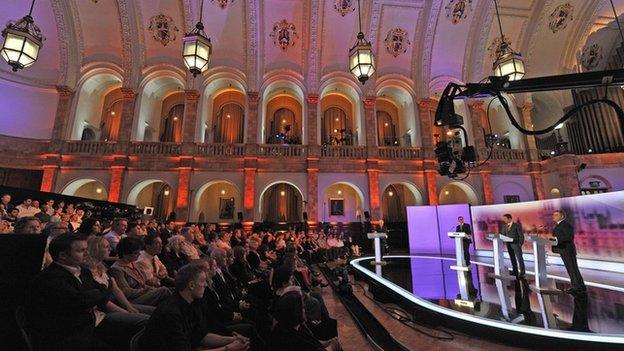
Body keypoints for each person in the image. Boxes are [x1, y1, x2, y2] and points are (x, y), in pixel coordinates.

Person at [25, 234, 114, 351]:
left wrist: (95, 294)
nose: (87, 253)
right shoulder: (50, 278)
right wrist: (96, 294)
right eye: (81, 250)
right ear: (62, 255)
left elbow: (105, 292)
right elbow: (80, 302)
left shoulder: (83, 271)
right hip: (69, 335)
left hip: (92, 323)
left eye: (86, 249)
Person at [138, 264, 251, 351]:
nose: (206, 285)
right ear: (191, 285)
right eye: (202, 281)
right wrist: (228, 348)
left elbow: (201, 336)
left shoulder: (193, 303)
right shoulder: (170, 312)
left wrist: (233, 340)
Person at [109, 237, 172, 306]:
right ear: (125, 253)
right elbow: (126, 292)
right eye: (136, 253)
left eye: (139, 252)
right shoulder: (116, 269)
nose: (139, 254)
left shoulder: (133, 263)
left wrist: (148, 288)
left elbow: (143, 282)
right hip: (131, 300)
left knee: (171, 291)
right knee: (164, 291)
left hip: (142, 293)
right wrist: (147, 290)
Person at [548, 210, 586, 294]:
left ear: (562, 216)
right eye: (553, 215)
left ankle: (577, 286)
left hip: (567, 250)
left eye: (556, 215)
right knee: (571, 269)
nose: (553, 216)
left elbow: (569, 237)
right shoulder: (558, 225)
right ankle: (579, 285)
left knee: (572, 269)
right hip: (563, 250)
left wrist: (555, 238)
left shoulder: (565, 225)